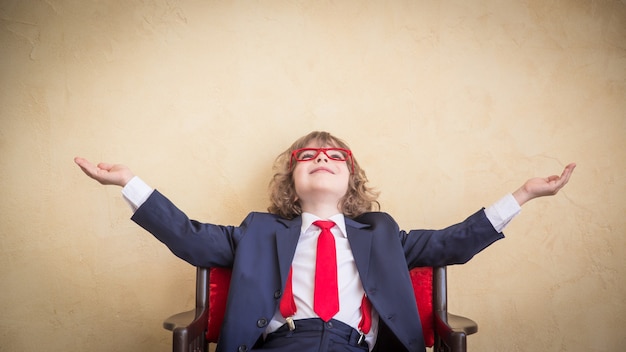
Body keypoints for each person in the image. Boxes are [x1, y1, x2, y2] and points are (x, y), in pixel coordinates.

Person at [75, 131, 575, 352]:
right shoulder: (257, 230)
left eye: (335, 156)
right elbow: (188, 237)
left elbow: (454, 243)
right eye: (307, 155)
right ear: (291, 178)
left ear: (351, 177)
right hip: (280, 344)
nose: (321, 158)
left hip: (353, 346)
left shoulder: (381, 233)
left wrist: (525, 194)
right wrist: (129, 183)